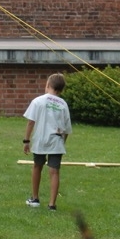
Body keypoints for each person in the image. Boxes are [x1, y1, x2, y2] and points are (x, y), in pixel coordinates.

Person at [23, 73, 72, 211]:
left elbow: (31, 122)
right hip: (56, 141)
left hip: (40, 140)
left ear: (48, 85)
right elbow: (67, 128)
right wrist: (63, 141)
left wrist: (26, 140)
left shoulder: (38, 101)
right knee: (54, 171)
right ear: (61, 89)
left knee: (37, 166)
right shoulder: (63, 104)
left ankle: (35, 198)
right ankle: (52, 204)